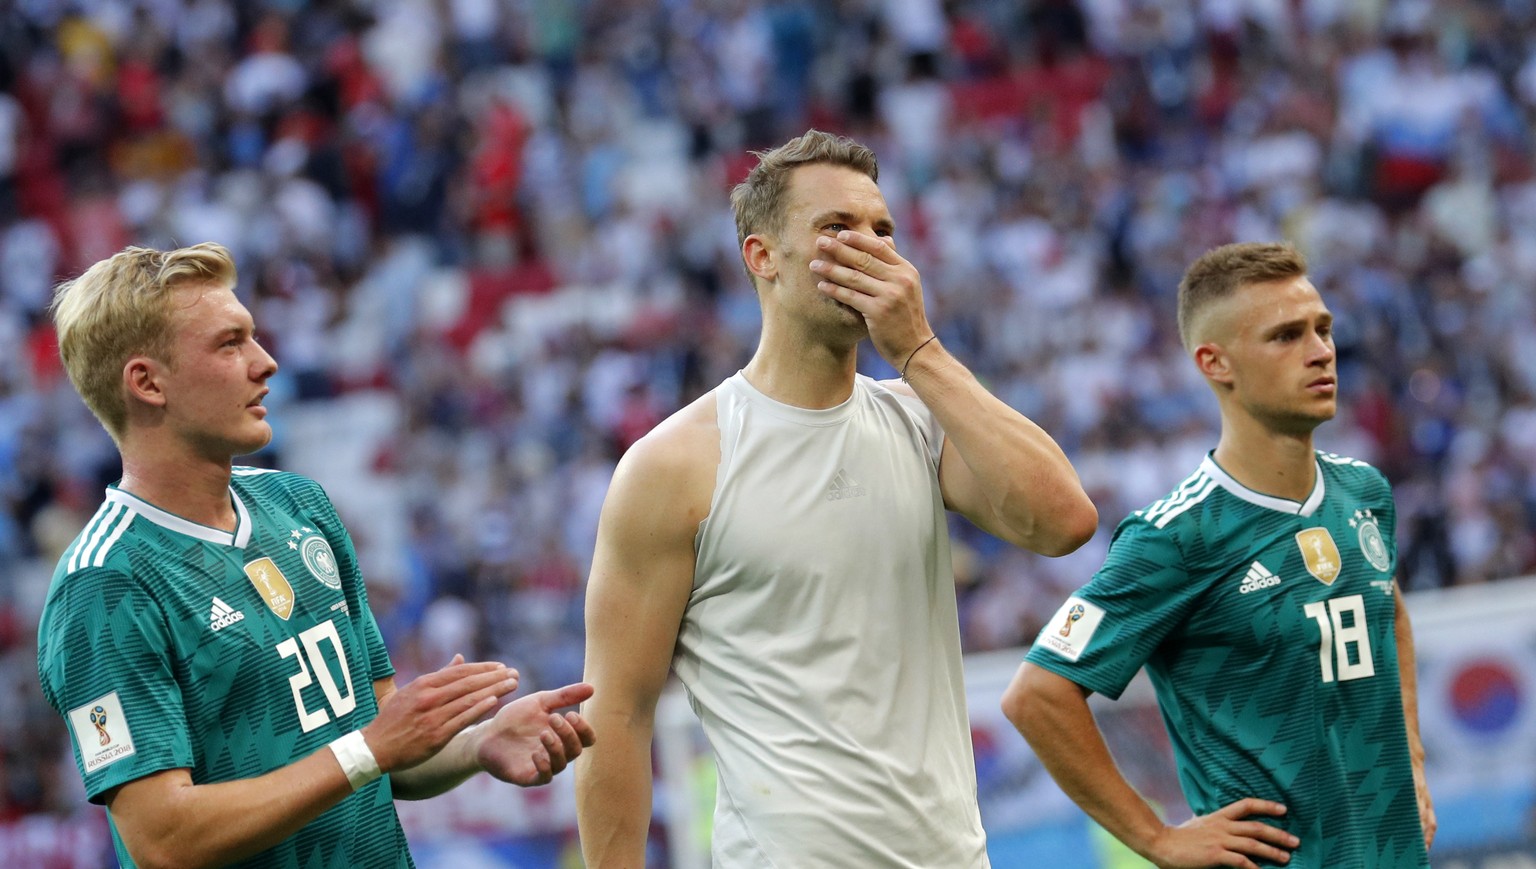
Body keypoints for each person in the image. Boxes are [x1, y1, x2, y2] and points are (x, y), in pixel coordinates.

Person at [575, 129, 1098, 867]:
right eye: (837, 229)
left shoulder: (918, 420)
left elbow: (1064, 520)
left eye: (883, 230)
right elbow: (618, 713)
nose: (872, 248)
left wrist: (919, 351)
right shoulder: (677, 464)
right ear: (763, 258)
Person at [36, 242, 597, 869]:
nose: (266, 362)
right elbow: (162, 839)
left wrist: (476, 743)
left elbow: (381, 741)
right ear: (146, 382)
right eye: (230, 344)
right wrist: (372, 748)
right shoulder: (105, 586)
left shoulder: (298, 506)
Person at [1003, 242, 1436, 869]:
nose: (1320, 351)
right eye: (1286, 336)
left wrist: (1412, 757)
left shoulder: (1364, 492)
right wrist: (1157, 838)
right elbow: (1037, 695)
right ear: (1216, 363)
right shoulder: (1176, 537)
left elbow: (1385, 611)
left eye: (1323, 329)